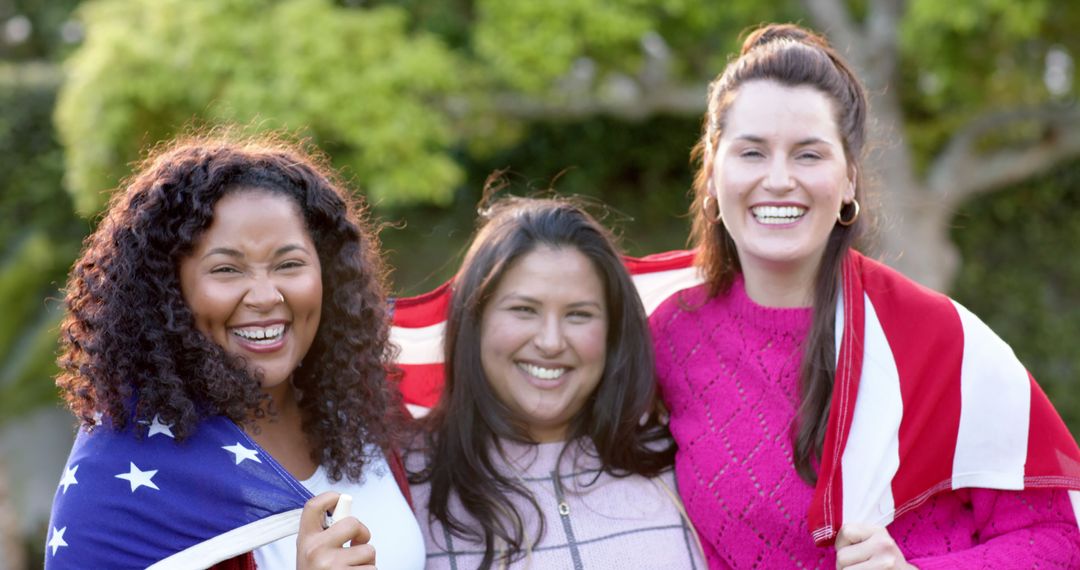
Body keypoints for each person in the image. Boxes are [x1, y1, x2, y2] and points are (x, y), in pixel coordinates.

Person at [649, 23, 1080, 569]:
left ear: (849, 180)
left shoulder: (937, 336)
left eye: (809, 155)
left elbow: (1059, 539)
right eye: (752, 153)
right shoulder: (669, 334)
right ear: (713, 174)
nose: (779, 180)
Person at [46, 134, 424, 569]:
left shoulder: (366, 412)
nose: (266, 296)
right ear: (167, 291)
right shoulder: (117, 485)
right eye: (227, 269)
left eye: (289, 264)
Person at [406, 196, 705, 569]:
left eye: (579, 314)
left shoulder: (681, 460)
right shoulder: (404, 486)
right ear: (474, 322)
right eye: (523, 310)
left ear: (613, 332)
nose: (550, 342)